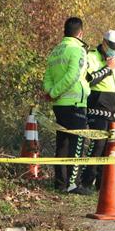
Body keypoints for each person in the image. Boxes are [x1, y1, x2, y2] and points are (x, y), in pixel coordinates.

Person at [75, 30, 115, 194]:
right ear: (104, 43)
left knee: (111, 147)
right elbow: (88, 80)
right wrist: (107, 68)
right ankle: (86, 182)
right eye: (112, 47)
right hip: (98, 108)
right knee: (97, 145)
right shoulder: (91, 56)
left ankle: (103, 183)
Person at [43, 17, 90, 192]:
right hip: (75, 103)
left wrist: (51, 92)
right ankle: (73, 184)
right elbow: (73, 76)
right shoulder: (77, 49)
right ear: (80, 32)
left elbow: (47, 76)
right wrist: (54, 92)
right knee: (76, 143)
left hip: (59, 104)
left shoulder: (56, 50)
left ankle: (60, 183)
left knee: (62, 143)